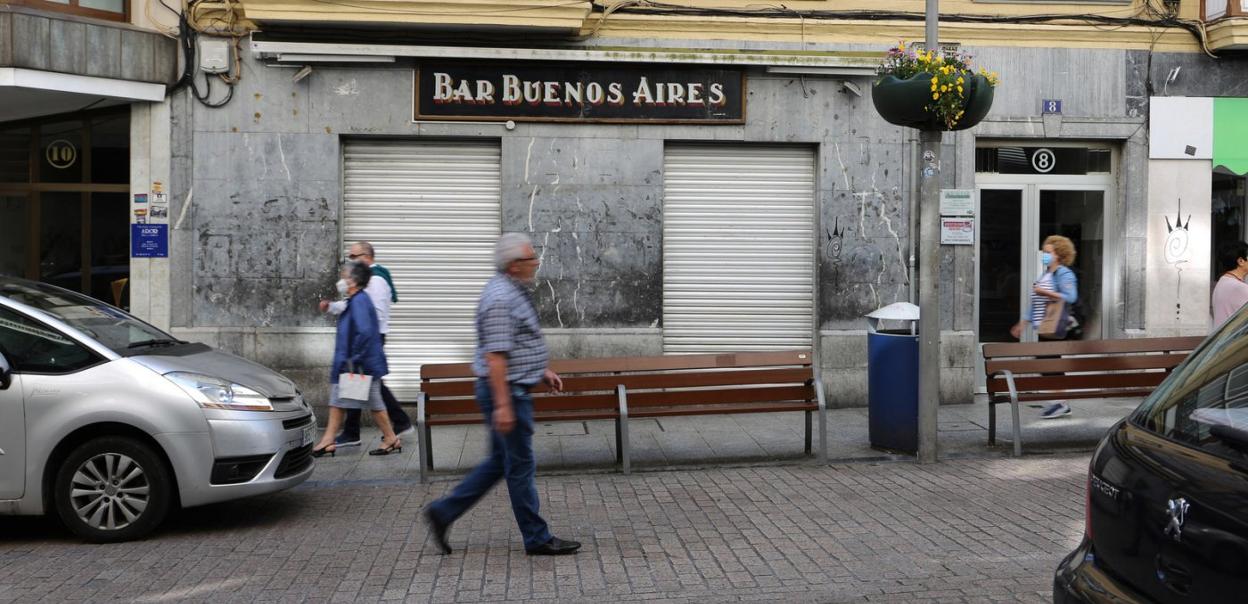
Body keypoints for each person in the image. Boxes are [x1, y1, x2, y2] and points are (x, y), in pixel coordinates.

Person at [424, 233, 581, 556]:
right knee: (520, 466)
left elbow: (516, 345)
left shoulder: (512, 291)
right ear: (513, 265)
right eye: (529, 258)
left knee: (500, 462)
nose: (535, 262)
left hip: (514, 387)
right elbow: (496, 357)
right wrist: (504, 405)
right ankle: (536, 537)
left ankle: (443, 512)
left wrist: (541, 371)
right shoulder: (500, 299)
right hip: (507, 392)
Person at [319, 241, 413, 446]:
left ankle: (396, 423)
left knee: (365, 384)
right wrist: (332, 307)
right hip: (365, 337)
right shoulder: (364, 282)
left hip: (371, 337)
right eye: (350, 257)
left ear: (367, 256)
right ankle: (356, 431)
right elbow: (350, 305)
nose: (350, 260)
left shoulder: (376, 280)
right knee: (360, 384)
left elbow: (374, 313)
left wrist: (364, 343)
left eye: (354, 256)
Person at [1010, 235, 1079, 419]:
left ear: (1059, 254)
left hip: (1056, 329)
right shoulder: (1046, 274)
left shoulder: (1063, 273)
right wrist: (1023, 323)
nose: (1045, 256)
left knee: (1050, 365)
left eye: (1048, 253)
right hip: (1045, 328)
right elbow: (1035, 303)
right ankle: (1060, 402)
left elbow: (1070, 297)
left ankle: (1061, 402)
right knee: (1048, 365)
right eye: (1044, 252)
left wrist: (1044, 291)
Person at [1212, 240, 1248, 328]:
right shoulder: (1239, 288)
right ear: (1241, 261)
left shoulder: (1223, 282)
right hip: (1236, 341)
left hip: (1223, 340)